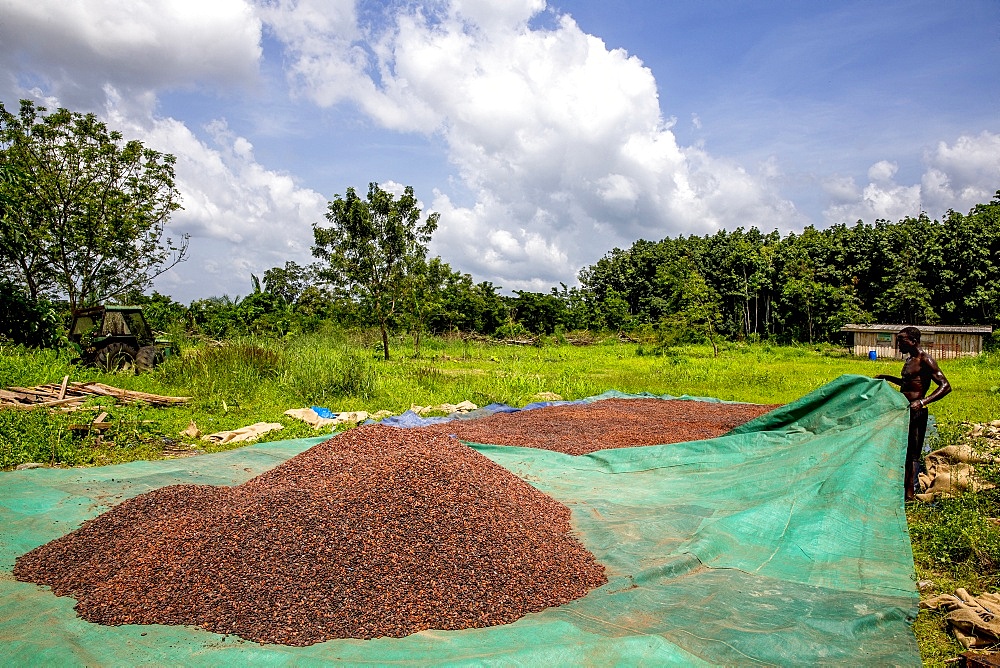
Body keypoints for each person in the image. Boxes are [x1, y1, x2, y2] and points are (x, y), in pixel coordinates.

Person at [875, 326, 951, 500]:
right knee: (902, 450)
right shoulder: (910, 361)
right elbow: (907, 383)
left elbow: (946, 386)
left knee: (912, 454)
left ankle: (910, 494)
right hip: (904, 410)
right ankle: (902, 489)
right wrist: (887, 378)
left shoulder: (925, 360)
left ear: (913, 341)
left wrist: (922, 402)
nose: (898, 343)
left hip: (917, 413)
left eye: (902, 340)